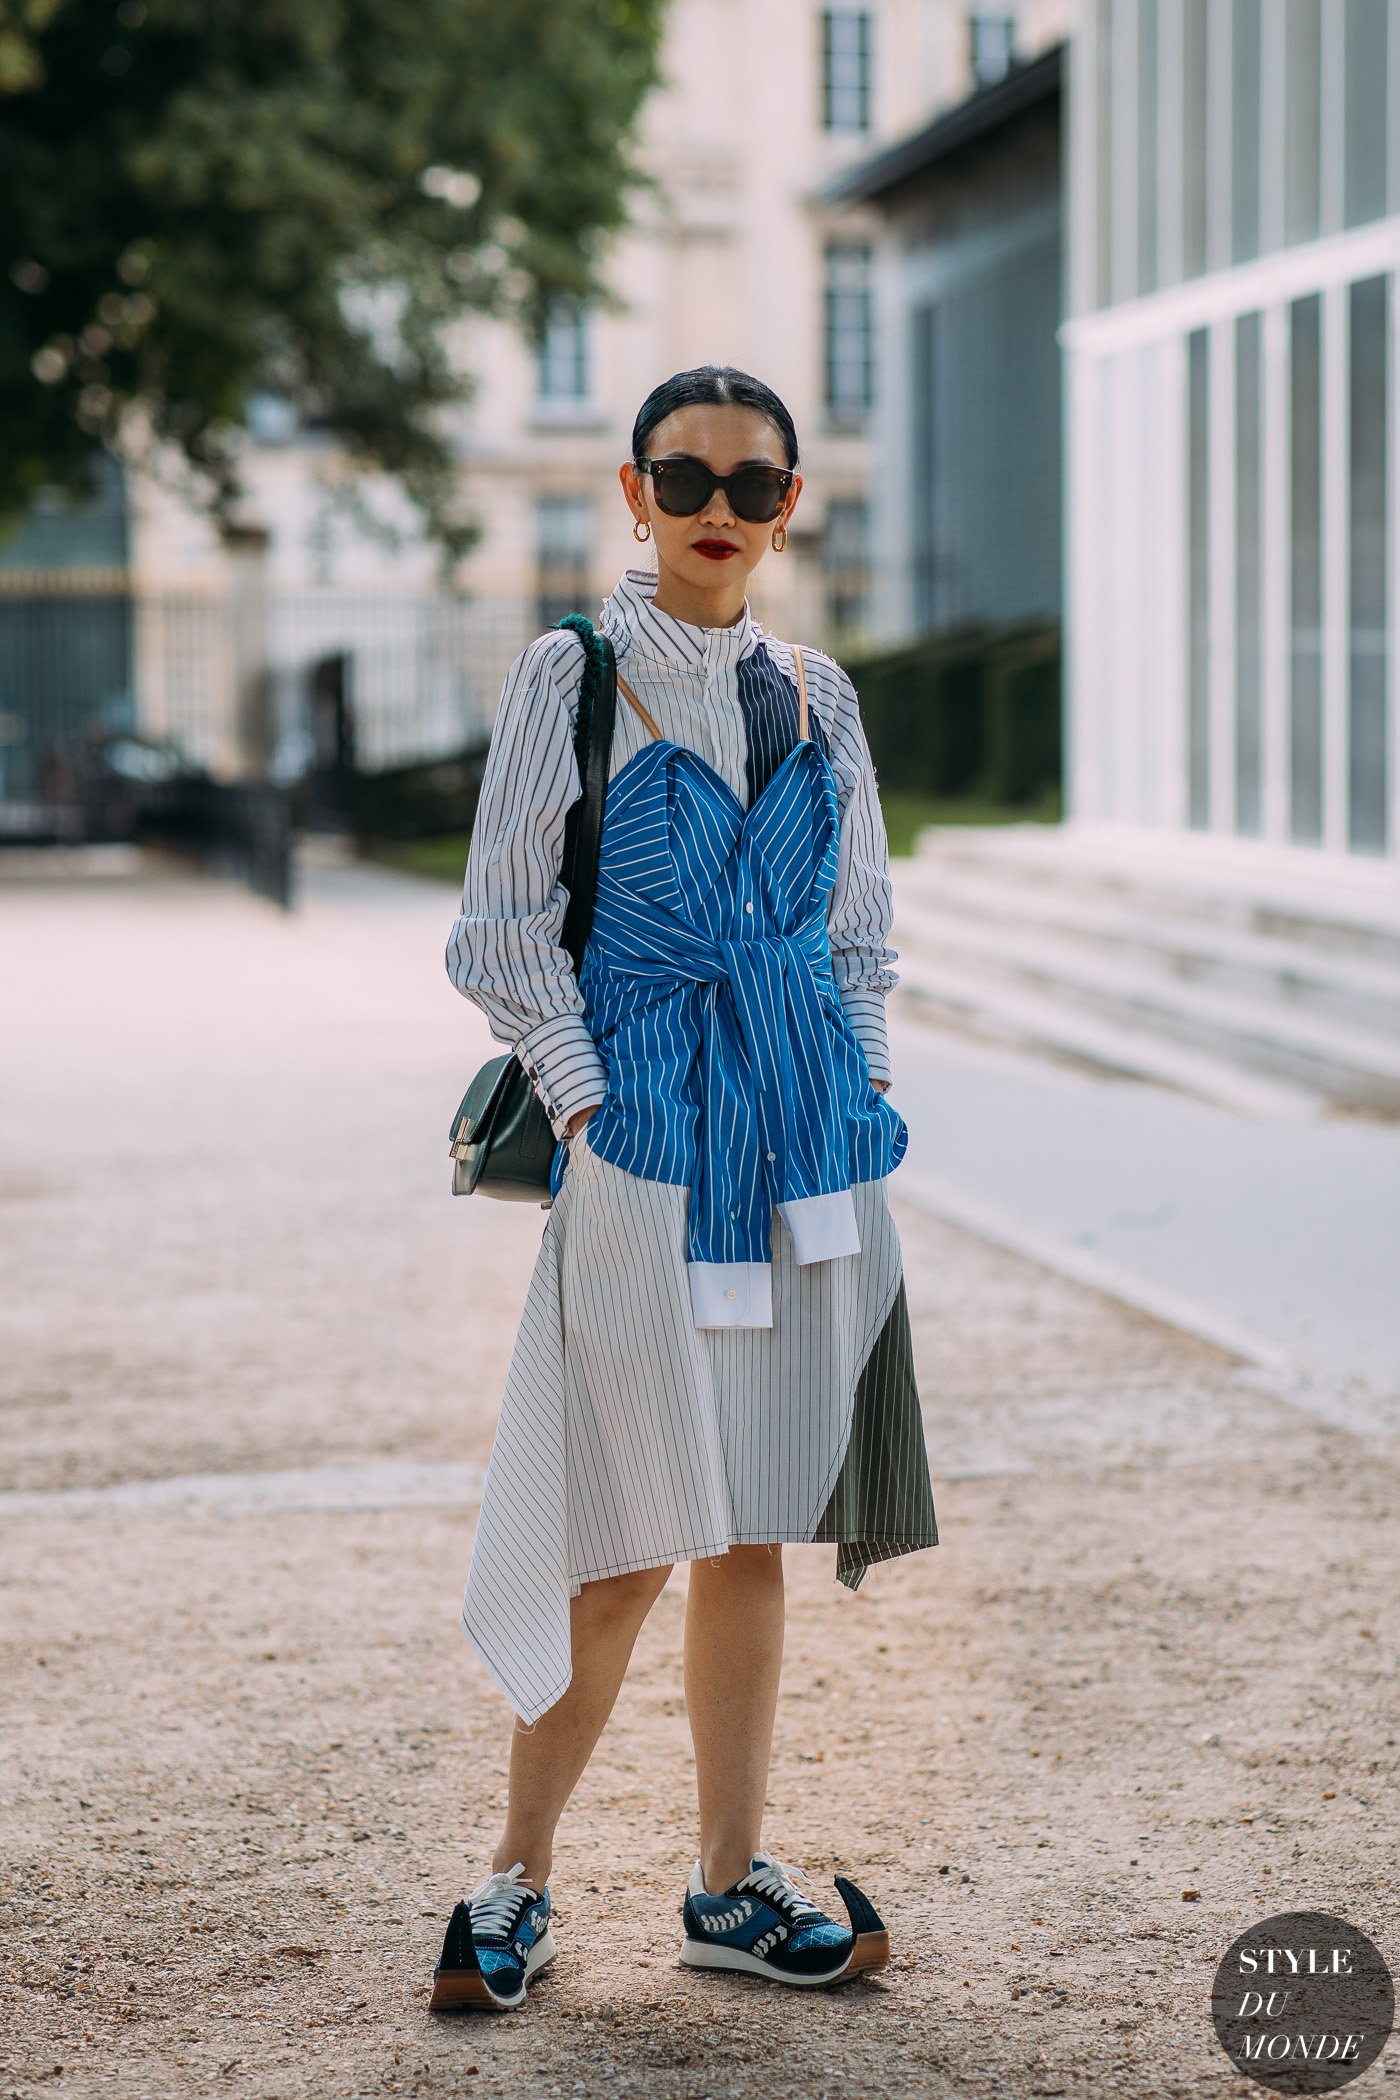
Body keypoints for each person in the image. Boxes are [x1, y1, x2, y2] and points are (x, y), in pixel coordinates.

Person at [436, 365, 938, 2012]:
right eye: (687, 477)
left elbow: (859, 926)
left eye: (756, 486)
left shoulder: (818, 690)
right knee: (623, 1539)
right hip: (648, 1143)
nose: (720, 510)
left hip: (805, 1144)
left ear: (791, 506)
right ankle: (516, 1877)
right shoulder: (567, 672)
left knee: (751, 1534)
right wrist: (589, 1114)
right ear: (633, 493)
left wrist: (860, 1091)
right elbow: (501, 932)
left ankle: (726, 1887)